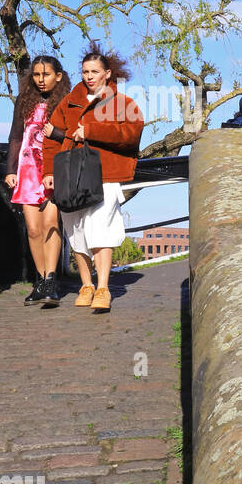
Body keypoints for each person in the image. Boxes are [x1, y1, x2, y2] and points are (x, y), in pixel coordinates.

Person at [40, 45, 144, 313]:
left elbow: (131, 135)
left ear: (107, 73)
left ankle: (103, 288)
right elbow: (50, 139)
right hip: (70, 176)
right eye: (85, 71)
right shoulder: (69, 102)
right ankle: (86, 285)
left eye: (94, 71)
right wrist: (49, 172)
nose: (89, 76)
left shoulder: (123, 103)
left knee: (100, 230)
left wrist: (91, 130)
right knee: (76, 231)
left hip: (105, 175)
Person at [6, 55, 71, 305]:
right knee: (33, 229)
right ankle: (42, 281)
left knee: (50, 223)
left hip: (54, 170)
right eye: (36, 75)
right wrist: (10, 169)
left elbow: (73, 136)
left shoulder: (66, 101)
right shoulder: (24, 100)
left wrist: (56, 132)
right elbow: (15, 136)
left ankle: (51, 281)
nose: (41, 80)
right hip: (27, 170)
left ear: (58, 76)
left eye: (46, 74)